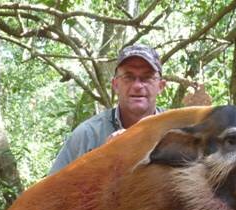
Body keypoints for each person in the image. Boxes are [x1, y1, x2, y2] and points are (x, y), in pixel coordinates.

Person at [49, 44, 166, 174]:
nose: (137, 85)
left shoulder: (176, 131)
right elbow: (51, 191)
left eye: (147, 78)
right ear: (115, 85)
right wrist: (104, 158)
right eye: (128, 77)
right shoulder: (88, 136)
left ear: (161, 86)